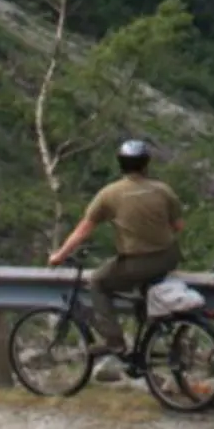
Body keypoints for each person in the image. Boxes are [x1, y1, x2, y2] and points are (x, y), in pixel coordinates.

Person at [48, 138, 183, 357]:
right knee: (139, 289)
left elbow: (83, 230)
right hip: (168, 257)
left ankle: (114, 342)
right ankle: (149, 340)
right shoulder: (163, 190)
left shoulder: (109, 194)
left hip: (138, 263)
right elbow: (178, 226)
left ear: (120, 163)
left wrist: (59, 255)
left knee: (98, 282)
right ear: (146, 163)